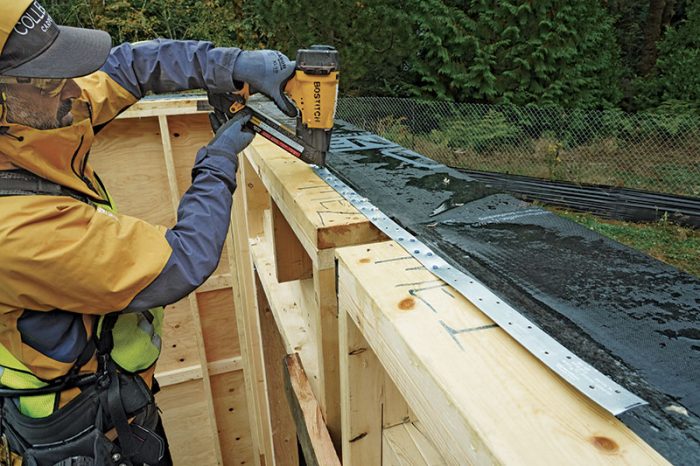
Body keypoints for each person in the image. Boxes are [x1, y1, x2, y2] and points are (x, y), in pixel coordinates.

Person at [0, 1, 297, 464]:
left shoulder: (34, 117)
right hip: (82, 432)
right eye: (47, 79)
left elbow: (129, 67)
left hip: (115, 403)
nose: (71, 91)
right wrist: (217, 161)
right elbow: (181, 262)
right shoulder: (12, 233)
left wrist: (229, 64)